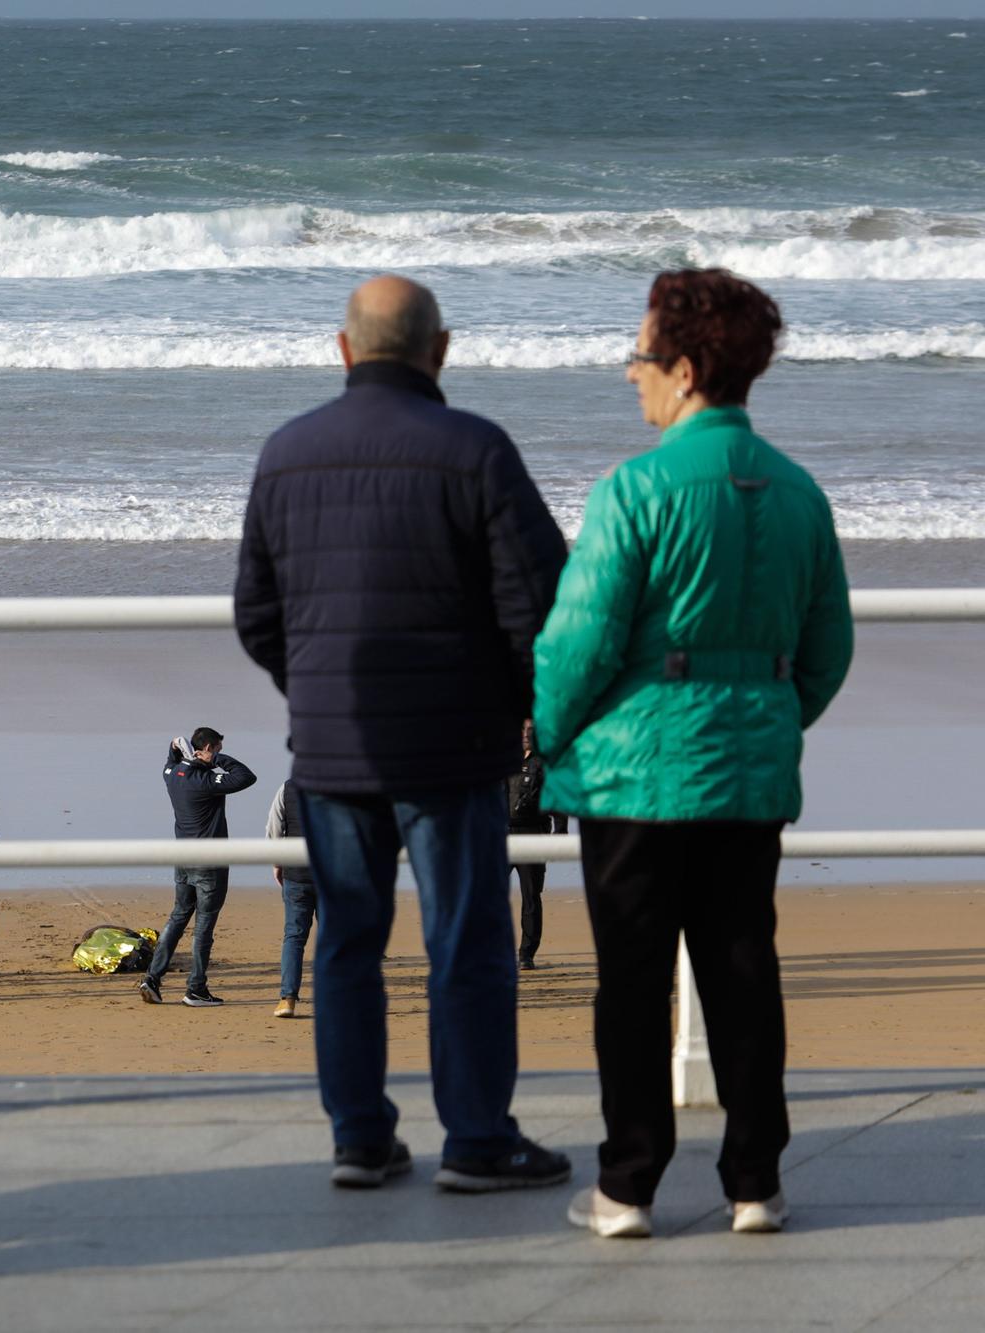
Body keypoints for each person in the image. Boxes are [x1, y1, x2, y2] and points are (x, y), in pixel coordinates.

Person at [233, 274, 573, 1193]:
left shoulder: (287, 451)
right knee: (466, 940)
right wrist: (509, 703)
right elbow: (541, 601)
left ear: (343, 349)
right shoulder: (476, 450)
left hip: (335, 750)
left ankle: (360, 1137)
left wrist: (312, 694)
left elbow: (256, 614)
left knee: (348, 939)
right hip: (459, 750)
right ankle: (475, 1138)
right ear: (442, 349)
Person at [536, 269, 853, 1240]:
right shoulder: (798, 493)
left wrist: (546, 731)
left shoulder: (634, 488)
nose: (628, 376)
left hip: (634, 774)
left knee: (630, 980)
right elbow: (827, 647)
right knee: (741, 967)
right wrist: (765, 713)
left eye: (636, 359)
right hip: (749, 768)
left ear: (681, 369)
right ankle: (753, 1179)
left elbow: (578, 641)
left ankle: (627, 1184)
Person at [139, 727, 256, 1008]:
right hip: (209, 863)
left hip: (183, 858)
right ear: (208, 748)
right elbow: (246, 777)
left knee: (178, 916)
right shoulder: (207, 780)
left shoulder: (173, 775)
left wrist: (177, 751)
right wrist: (217, 760)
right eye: (216, 748)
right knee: (204, 925)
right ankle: (196, 989)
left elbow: (170, 762)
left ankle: (152, 979)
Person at [508, 720, 569, 970]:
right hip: (502, 835)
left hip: (533, 835)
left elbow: (558, 800)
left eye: (530, 731)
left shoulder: (544, 763)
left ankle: (526, 954)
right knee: (488, 896)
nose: (525, 735)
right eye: (521, 730)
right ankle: (493, 949)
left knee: (531, 897)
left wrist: (561, 833)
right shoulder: (505, 759)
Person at [266, 781, 317, 1019]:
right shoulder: (344, 785)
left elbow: (274, 828)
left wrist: (277, 862)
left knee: (294, 937)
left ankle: (287, 998)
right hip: (331, 873)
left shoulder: (288, 788)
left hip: (296, 871)